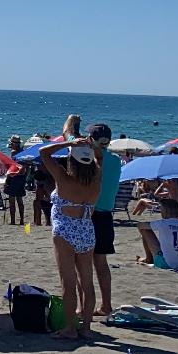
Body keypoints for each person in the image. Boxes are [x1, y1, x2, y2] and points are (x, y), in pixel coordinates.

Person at [38, 137, 102, 340]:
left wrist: (69, 144)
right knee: (87, 281)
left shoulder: (64, 179)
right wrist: (91, 147)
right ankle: (87, 328)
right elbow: (100, 157)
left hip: (65, 230)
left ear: (72, 161)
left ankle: (69, 328)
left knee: (68, 282)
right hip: (86, 230)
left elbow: (44, 153)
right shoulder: (97, 178)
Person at [86, 123, 121, 317]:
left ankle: (85, 307)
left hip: (90, 213)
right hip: (106, 215)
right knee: (101, 263)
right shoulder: (116, 161)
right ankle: (106, 304)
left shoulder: (89, 159)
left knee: (83, 263)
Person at [137, 199, 178, 272]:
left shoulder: (163, 223)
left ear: (164, 211)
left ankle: (149, 259)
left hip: (168, 265)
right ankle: (149, 259)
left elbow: (140, 225)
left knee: (145, 229)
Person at [5, 136, 27, 226]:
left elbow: (12, 167)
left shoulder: (13, 152)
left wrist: (7, 180)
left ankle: (13, 220)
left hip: (14, 177)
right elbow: (25, 166)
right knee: (20, 199)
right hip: (22, 177)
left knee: (12, 199)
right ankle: (22, 220)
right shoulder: (23, 152)